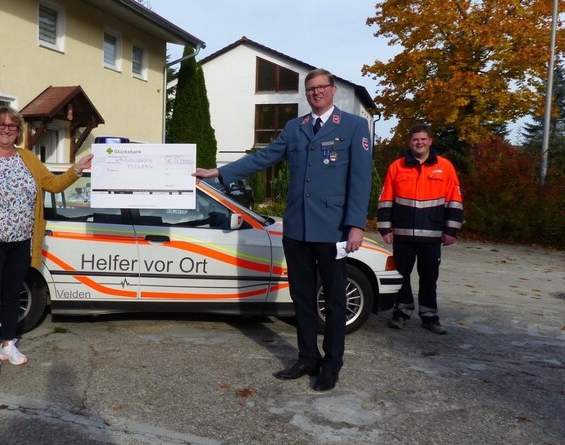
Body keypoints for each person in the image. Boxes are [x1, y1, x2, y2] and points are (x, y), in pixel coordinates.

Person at [193, 68, 372, 391]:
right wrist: (219, 173)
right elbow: (262, 158)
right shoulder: (296, 127)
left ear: (332, 90)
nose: (316, 93)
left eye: (321, 87)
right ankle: (307, 358)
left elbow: (360, 181)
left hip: (333, 230)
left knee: (332, 300)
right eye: (310, 88)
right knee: (301, 297)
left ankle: (331, 364)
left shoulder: (353, 126)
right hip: (298, 229)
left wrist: (356, 226)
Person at [0, 106, 93, 378]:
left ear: (18, 131)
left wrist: (77, 168)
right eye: (1, 125)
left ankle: (8, 345)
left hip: (21, 240)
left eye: (12, 126)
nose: (6, 130)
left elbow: (53, 185)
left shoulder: (28, 159)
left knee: (11, 295)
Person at [378, 123, 463, 334]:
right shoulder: (396, 167)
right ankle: (402, 312)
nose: (419, 143)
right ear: (410, 142)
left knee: (429, 277)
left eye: (423, 139)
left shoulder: (445, 167)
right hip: (403, 234)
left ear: (430, 141)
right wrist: (385, 229)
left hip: (432, 235)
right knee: (401, 275)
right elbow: (385, 199)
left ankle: (429, 316)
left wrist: (451, 230)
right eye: (415, 139)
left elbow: (455, 200)